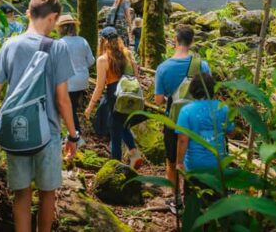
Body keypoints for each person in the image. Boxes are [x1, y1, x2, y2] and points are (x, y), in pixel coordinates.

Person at [0, 0, 79, 232]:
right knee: (48, 194)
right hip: (48, 135)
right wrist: (73, 135)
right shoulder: (57, 49)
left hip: (16, 130)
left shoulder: (10, 45)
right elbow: (62, 99)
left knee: (21, 195)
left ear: (29, 13)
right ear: (53, 17)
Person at [154, 25, 211, 209]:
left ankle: (176, 197)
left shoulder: (163, 68)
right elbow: (209, 92)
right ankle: (194, 196)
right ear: (192, 41)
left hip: (173, 119)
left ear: (175, 40)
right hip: (198, 118)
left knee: (172, 159)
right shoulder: (202, 65)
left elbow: (158, 101)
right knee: (193, 155)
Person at [84, 26, 144, 169]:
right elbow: (136, 77)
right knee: (122, 126)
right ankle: (134, 153)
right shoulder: (128, 54)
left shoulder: (103, 60)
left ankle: (115, 165)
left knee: (115, 130)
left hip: (114, 95)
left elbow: (99, 87)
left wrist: (90, 106)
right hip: (130, 93)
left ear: (103, 41)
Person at [176, 72, 233, 214]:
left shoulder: (186, 111)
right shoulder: (223, 108)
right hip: (218, 163)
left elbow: (183, 139)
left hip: (195, 165)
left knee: (194, 203)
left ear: (192, 89)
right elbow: (231, 132)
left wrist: (179, 162)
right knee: (217, 203)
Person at [56, 14, 94, 147]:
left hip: (68, 81)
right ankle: (73, 135)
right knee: (71, 107)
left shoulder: (60, 43)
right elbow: (91, 61)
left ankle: (75, 138)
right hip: (82, 80)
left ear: (61, 29)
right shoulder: (82, 40)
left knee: (66, 108)